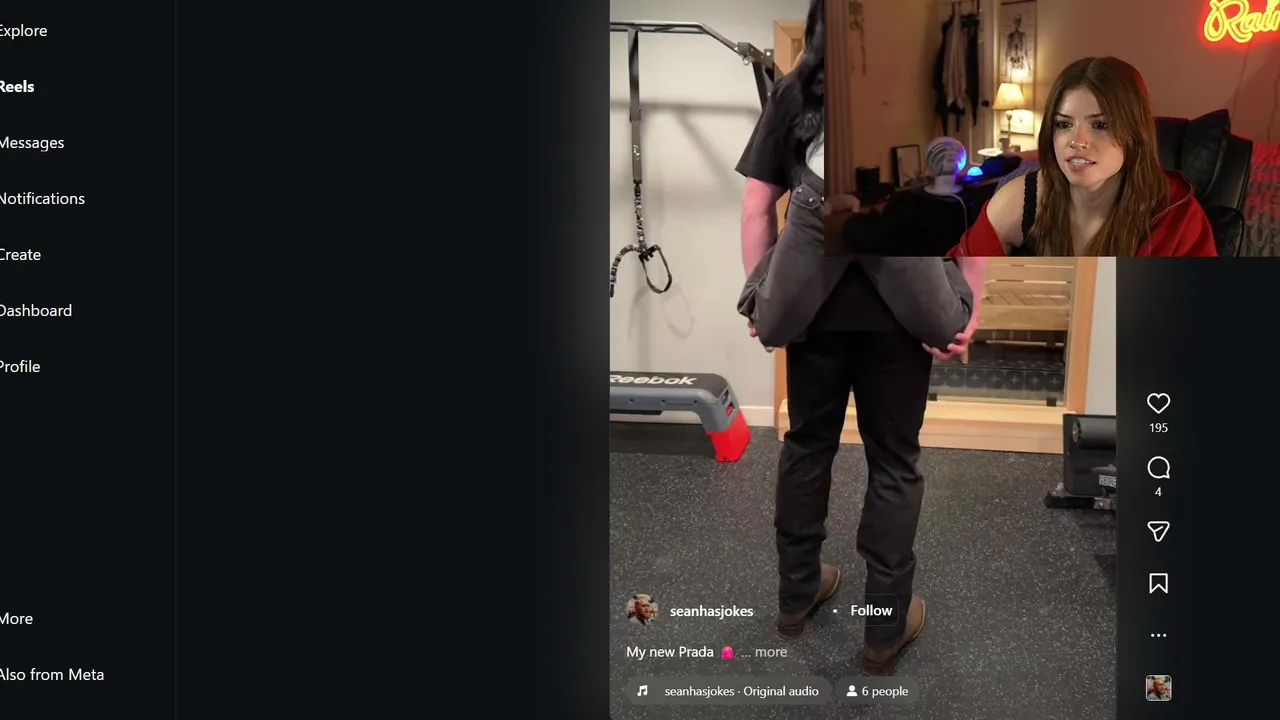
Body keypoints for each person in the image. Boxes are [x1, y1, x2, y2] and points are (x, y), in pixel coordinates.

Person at [735, 0, 988, 676]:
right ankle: (883, 630)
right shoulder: (937, 97)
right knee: (895, 463)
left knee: (806, 445)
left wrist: (762, 299)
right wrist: (971, 306)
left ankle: (796, 597)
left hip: (812, 315)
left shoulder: (793, 93)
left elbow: (757, 210)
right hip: (901, 324)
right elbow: (968, 216)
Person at [949, 56, 1217, 257]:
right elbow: (954, 292)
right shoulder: (1020, 199)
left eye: (1100, 125)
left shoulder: (1179, 218)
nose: (1076, 141)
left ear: (1135, 133)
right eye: (1064, 124)